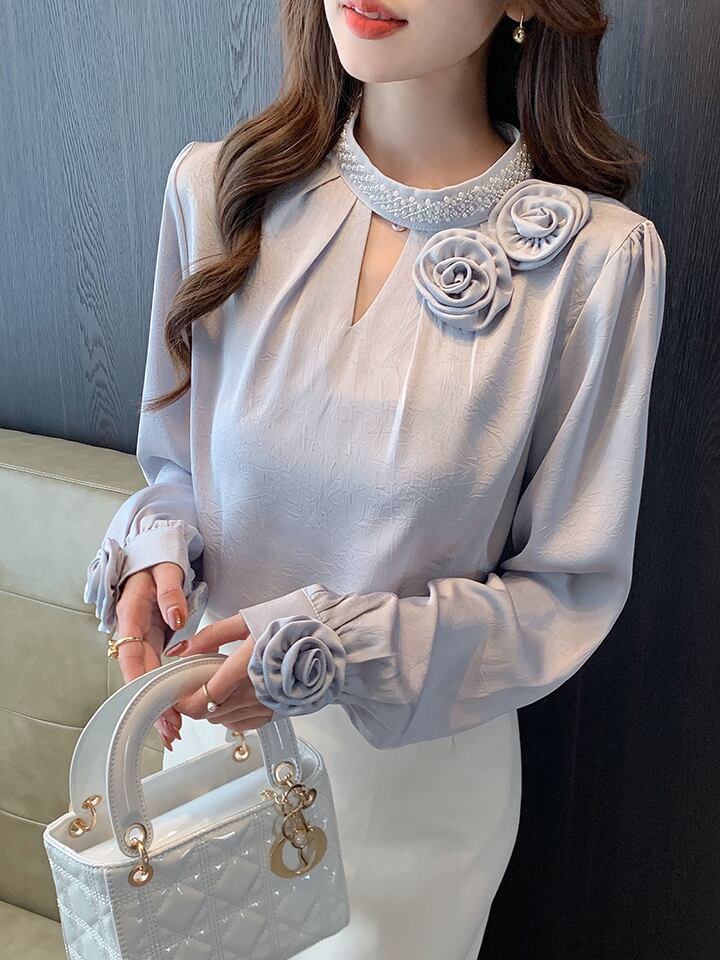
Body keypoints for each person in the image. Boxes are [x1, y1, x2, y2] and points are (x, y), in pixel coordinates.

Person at [83, 1, 667, 956]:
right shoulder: (217, 192)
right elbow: (181, 466)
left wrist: (337, 651)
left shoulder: (595, 264)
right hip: (209, 759)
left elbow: (562, 595)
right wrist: (157, 553)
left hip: (413, 804)